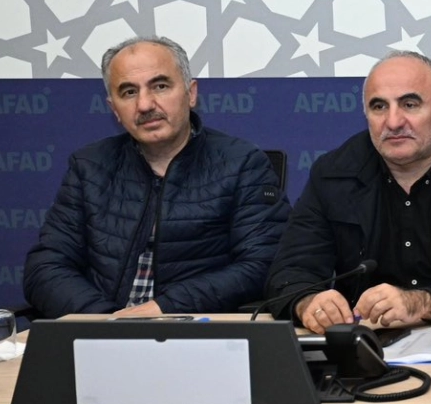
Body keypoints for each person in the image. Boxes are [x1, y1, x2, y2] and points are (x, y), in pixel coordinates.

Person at [265, 51, 431, 331]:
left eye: (409, 104)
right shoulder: (332, 175)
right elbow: (290, 272)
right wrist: (308, 302)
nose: (393, 122)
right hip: (367, 339)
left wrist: (423, 302)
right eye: (379, 107)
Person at [23, 36, 288, 316]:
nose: (145, 104)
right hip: (101, 327)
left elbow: (262, 263)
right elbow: (45, 267)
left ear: (191, 94)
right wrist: (106, 321)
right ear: (114, 109)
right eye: (128, 92)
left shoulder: (242, 163)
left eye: (160, 86)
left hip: (193, 329)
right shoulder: (89, 166)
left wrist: (164, 309)